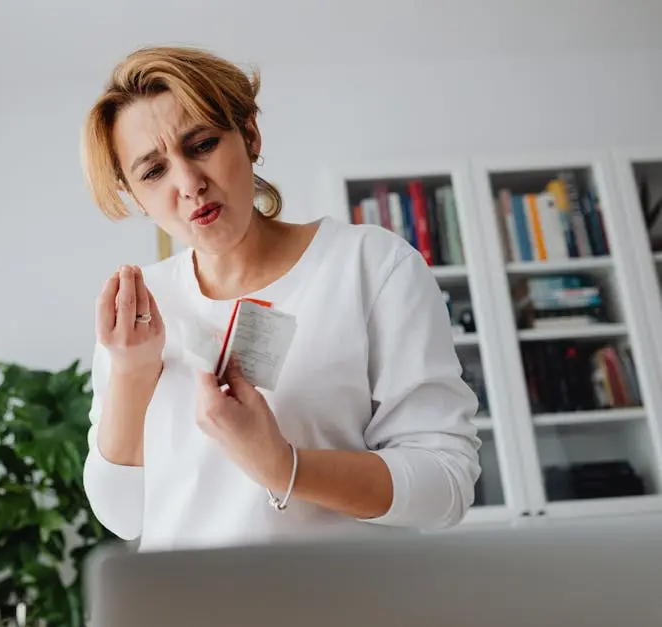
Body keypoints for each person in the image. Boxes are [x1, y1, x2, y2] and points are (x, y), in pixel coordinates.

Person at [79, 46, 481, 552]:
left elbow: (446, 483)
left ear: (249, 135)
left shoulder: (370, 267)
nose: (189, 183)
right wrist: (133, 373)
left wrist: (283, 466)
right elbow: (123, 516)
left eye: (201, 144)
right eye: (153, 172)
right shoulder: (139, 311)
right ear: (135, 195)